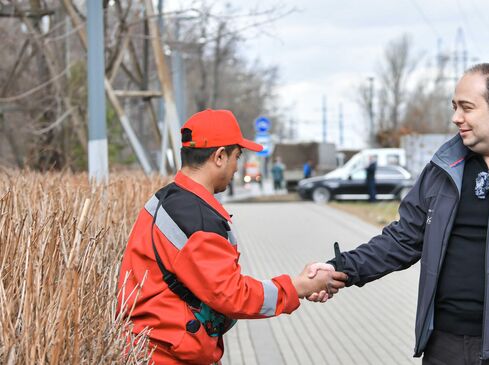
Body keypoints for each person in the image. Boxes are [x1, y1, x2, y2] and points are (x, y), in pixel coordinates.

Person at [308, 64, 489, 365]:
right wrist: (340, 269)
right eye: (454, 107)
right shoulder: (442, 172)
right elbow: (402, 239)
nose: (456, 117)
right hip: (444, 348)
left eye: (466, 108)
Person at [117, 109, 347, 364]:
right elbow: (232, 295)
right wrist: (298, 287)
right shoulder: (198, 219)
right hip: (165, 356)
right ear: (219, 156)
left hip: (152, 346)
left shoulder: (169, 198)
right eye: (237, 156)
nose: (237, 167)